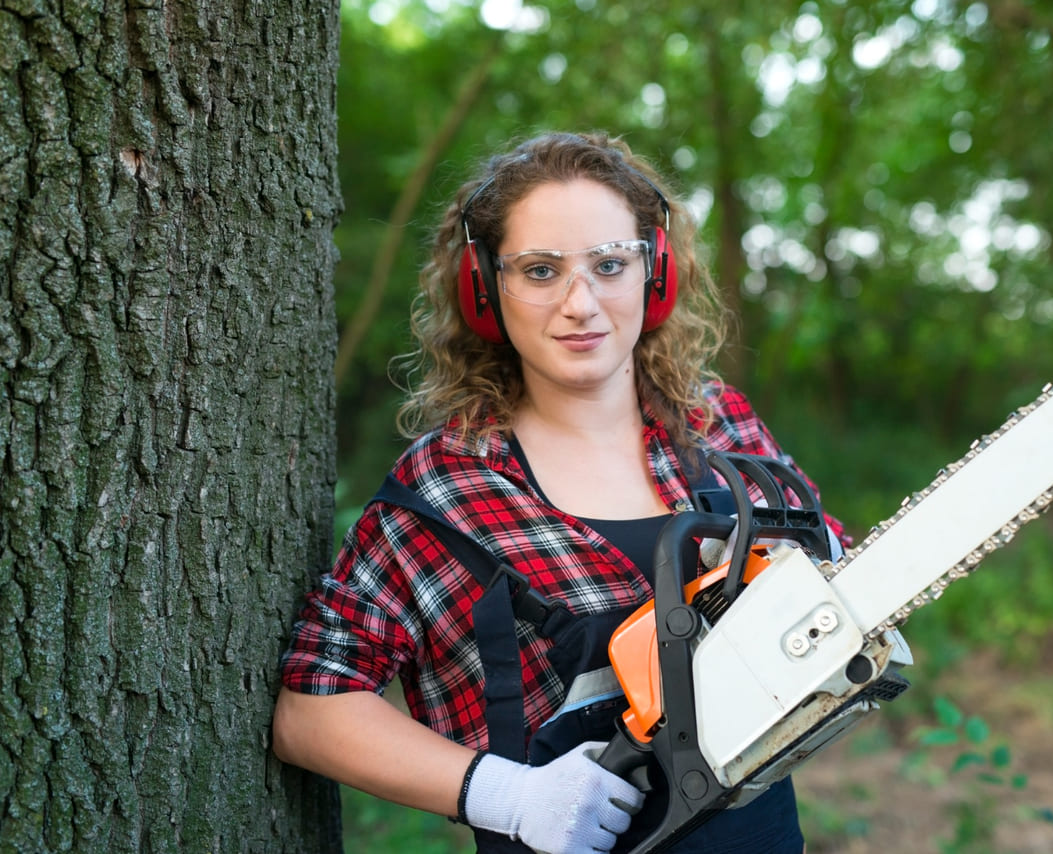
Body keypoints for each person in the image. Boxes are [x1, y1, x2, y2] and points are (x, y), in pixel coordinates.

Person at [272, 131, 853, 853]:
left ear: (655, 273)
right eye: (541, 271)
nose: (581, 303)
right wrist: (507, 796)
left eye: (610, 265)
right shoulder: (447, 489)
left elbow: (838, 569)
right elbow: (310, 711)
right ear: (485, 288)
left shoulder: (715, 423)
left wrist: (793, 559)